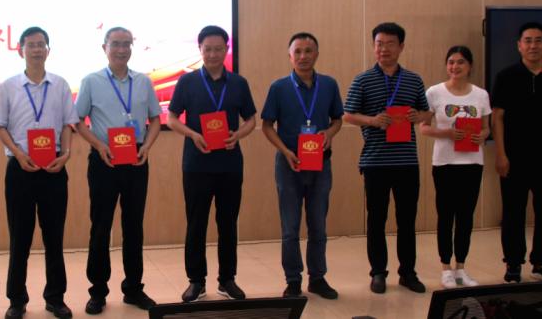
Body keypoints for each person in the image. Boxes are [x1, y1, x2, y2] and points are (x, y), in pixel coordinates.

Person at [0, 27, 78, 319]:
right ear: (21, 50)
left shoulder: (61, 84)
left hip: (54, 167)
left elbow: (67, 124)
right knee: (20, 238)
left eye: (42, 45)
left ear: (48, 50)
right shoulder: (8, 86)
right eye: (31, 45)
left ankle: (55, 298)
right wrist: (18, 154)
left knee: (54, 238)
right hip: (21, 169)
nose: (37, 49)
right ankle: (17, 300)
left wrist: (66, 154)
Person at [73, 27, 161, 314]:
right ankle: (98, 291)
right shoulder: (91, 81)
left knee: (134, 226)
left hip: (136, 158)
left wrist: (147, 146)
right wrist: (99, 145)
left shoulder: (143, 82)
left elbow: (155, 119)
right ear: (105, 48)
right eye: (116, 44)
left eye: (126, 44)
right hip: (105, 160)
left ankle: (133, 289)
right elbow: (77, 121)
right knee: (101, 227)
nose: (121, 49)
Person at [167, 25, 257, 303]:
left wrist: (237, 135)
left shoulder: (238, 83)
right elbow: (171, 119)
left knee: (228, 223)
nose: (213, 54)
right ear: (200, 50)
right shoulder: (187, 82)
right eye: (208, 49)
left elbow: (251, 120)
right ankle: (196, 281)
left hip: (230, 164)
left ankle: (227, 280)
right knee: (196, 223)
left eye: (218, 49)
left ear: (226, 49)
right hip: (196, 165)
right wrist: (192, 135)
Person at [343, 22, 432, 294]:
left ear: (401, 46)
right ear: (374, 47)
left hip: (406, 162)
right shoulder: (362, 80)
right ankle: (378, 272)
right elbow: (347, 114)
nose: (384, 49)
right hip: (375, 162)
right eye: (379, 44)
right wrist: (372, 120)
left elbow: (426, 112)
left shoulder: (414, 80)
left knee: (407, 220)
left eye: (390, 43)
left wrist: (418, 116)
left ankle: (408, 273)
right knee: (376, 220)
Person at [260, 32, 343, 299]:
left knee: (318, 225)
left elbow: (337, 119)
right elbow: (267, 125)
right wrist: (284, 151)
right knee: (290, 227)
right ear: (290, 56)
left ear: (317, 54)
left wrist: (329, 133)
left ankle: (317, 278)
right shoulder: (279, 87)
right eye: (298, 51)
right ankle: (293, 280)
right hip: (289, 165)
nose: (303, 56)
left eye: (308, 51)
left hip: (320, 164)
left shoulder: (329, 85)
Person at [492, 22, 542, 283]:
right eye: (527, 41)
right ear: (519, 45)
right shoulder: (506, 77)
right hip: (514, 158)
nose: (533, 45)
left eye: (538, 40)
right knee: (513, 212)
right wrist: (500, 153)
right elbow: (497, 117)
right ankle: (513, 263)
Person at [419, 46, 490, 289]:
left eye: (460, 62)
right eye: (450, 62)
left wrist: (482, 135)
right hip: (445, 162)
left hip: (472, 162)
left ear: (470, 66)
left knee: (466, 216)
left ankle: (461, 267)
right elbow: (424, 128)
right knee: (446, 215)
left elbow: (486, 128)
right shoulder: (434, 92)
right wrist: (447, 133)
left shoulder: (480, 95)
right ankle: (445, 268)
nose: (455, 66)